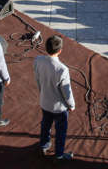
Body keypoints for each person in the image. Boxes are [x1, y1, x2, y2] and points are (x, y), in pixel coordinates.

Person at [34, 35, 75, 165]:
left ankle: (43, 146)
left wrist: (42, 92)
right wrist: (71, 105)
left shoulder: (38, 60)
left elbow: (37, 79)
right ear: (60, 50)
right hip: (59, 107)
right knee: (61, 130)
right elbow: (66, 91)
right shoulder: (62, 69)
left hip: (45, 102)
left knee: (45, 124)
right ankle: (58, 155)